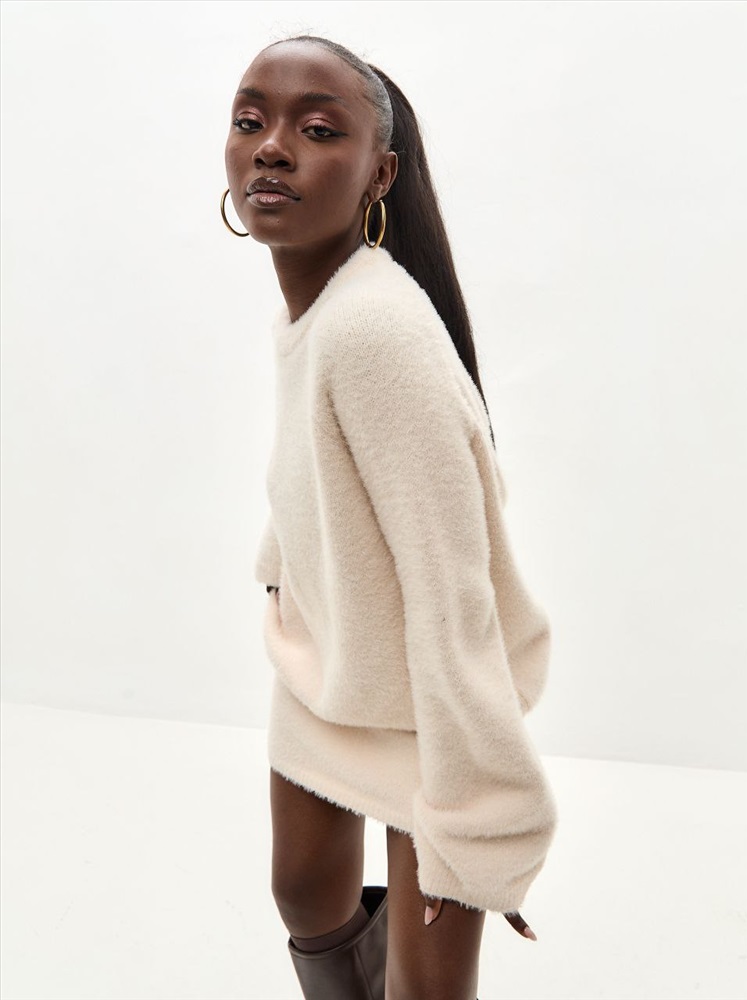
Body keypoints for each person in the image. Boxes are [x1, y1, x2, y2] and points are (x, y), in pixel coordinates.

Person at [222, 34, 558, 1000]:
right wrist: (283, 580)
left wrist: (483, 817)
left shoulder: (375, 329)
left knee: (427, 988)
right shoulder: (314, 310)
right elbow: (315, 482)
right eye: (251, 120)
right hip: (331, 673)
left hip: (429, 713)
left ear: (381, 174)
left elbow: (453, 595)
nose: (272, 146)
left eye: (318, 130)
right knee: (303, 896)